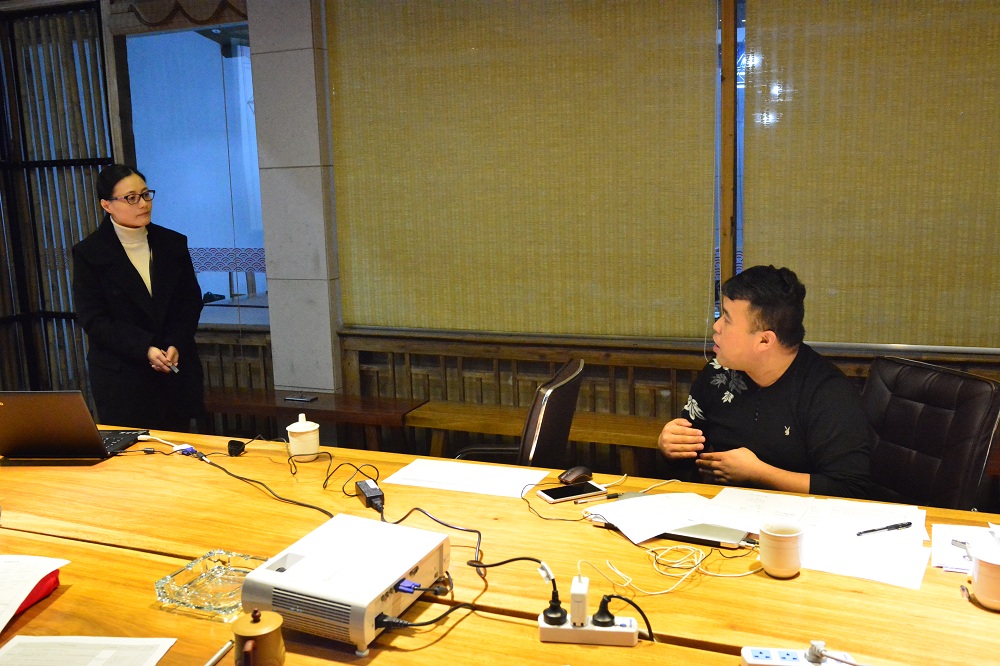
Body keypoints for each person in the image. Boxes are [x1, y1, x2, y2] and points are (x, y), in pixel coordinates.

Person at [658, 265, 872, 499]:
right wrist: (670, 445)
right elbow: (688, 455)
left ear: (764, 341)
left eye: (727, 319)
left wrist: (758, 473)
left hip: (800, 517)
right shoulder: (718, 374)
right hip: (727, 508)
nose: (716, 326)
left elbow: (849, 488)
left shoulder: (829, 393)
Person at [72, 164, 205, 431]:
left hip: (174, 369)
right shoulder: (90, 253)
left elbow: (190, 301)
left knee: (181, 447)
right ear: (107, 205)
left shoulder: (172, 243)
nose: (143, 204)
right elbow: (94, 319)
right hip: (123, 377)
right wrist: (145, 348)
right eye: (131, 198)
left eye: (145, 194)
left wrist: (176, 342)